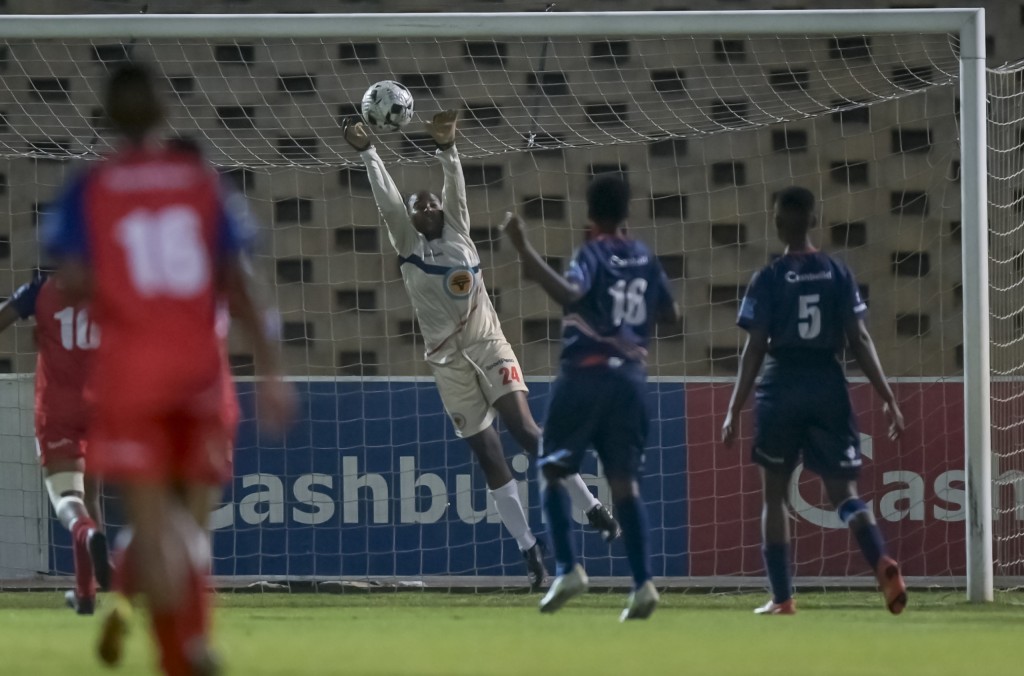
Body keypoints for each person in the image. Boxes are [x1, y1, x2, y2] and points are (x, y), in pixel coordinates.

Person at [43, 63, 294, 675]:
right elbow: (243, 283)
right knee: (193, 526)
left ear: (106, 115)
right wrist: (271, 372)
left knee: (153, 528)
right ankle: (194, 639)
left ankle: (170, 650)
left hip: (131, 375)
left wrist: (111, 288)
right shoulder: (201, 183)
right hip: (202, 373)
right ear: (163, 112)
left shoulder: (92, 186)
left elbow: (69, 277)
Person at [342, 111, 619, 588]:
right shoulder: (407, 245)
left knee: (527, 431)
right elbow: (388, 202)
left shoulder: (460, 234)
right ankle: (530, 549)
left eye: (430, 205)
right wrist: (368, 152)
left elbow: (455, 189)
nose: (424, 210)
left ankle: (592, 508)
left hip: (488, 344)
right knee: (489, 455)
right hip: (446, 362)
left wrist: (448, 148)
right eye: (417, 207)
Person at [721, 186, 907, 616]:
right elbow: (859, 339)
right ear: (812, 219)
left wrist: (733, 407)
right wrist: (888, 397)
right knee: (844, 493)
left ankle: (783, 598)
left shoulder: (768, 278)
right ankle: (880, 559)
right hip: (828, 382)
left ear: (779, 222)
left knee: (775, 497)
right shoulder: (837, 273)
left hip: (781, 384)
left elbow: (754, 349)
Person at [502, 173, 679, 620]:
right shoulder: (644, 257)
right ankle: (642, 585)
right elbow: (672, 314)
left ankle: (568, 568)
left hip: (585, 377)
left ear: (590, 214)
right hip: (632, 384)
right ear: (626, 212)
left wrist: (524, 251)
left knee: (551, 466)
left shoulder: (591, 253)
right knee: (624, 485)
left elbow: (572, 293)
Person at [0, 269, 110, 614]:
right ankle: (86, 593)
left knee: (68, 498)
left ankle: (86, 533)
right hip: (103, 405)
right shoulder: (112, 285)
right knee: (91, 495)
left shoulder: (39, 290)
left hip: (57, 410)